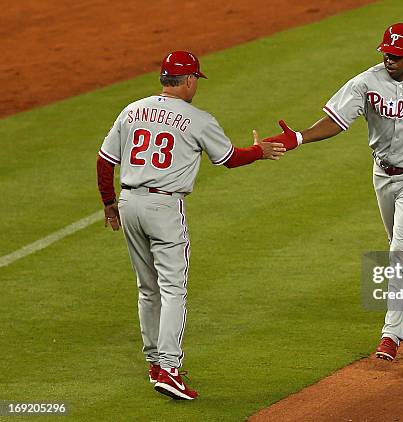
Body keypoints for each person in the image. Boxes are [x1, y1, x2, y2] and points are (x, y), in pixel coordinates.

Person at [263, 23, 403, 361]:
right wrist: (300, 137)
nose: (388, 59)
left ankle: (391, 336)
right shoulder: (367, 82)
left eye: (396, 55)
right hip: (383, 175)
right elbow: (336, 120)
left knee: (398, 251)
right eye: (386, 53)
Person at [96, 50, 285, 399]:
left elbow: (105, 161)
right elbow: (229, 159)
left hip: (129, 202)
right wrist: (260, 150)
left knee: (147, 287)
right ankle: (168, 368)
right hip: (164, 207)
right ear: (186, 80)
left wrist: (109, 204)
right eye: (195, 78)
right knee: (173, 289)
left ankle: (155, 361)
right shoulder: (197, 118)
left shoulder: (132, 109)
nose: (196, 84)